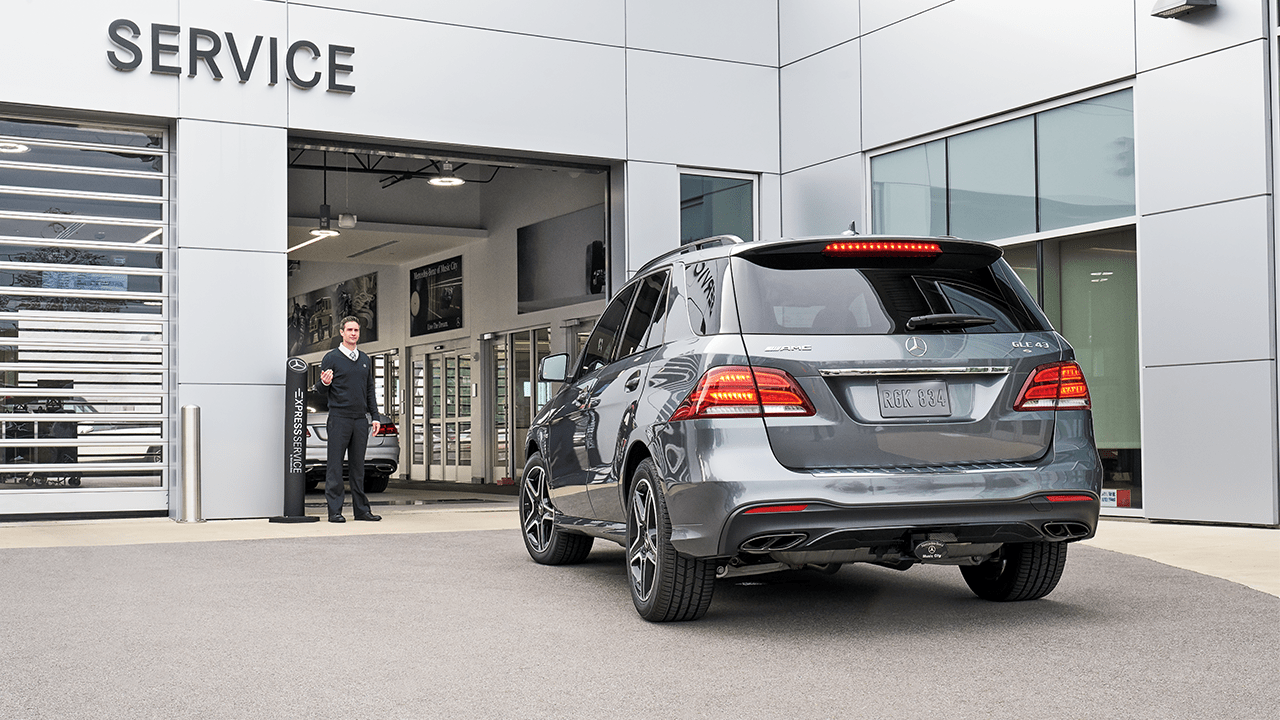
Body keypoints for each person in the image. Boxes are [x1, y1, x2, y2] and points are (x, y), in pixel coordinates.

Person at [315, 316, 382, 523]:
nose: (353, 333)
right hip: (339, 418)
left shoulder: (364, 359)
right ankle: (334, 511)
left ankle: (361, 511)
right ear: (342, 332)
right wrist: (324, 383)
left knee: (358, 467)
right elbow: (320, 389)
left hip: (360, 420)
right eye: (350, 330)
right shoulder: (331, 358)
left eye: (356, 330)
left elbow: (369, 390)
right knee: (335, 466)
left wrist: (375, 417)